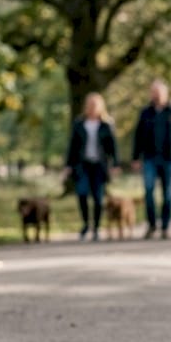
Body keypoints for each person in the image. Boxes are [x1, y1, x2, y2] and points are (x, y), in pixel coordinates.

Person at [133, 79, 171, 240]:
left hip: (170, 158)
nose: (157, 96)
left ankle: (165, 227)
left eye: (159, 93)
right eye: (154, 92)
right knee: (149, 191)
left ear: (166, 94)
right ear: (151, 94)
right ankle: (152, 225)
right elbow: (138, 136)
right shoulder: (145, 113)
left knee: (167, 194)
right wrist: (136, 157)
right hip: (149, 158)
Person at [63, 92, 119, 241]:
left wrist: (115, 163)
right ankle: (86, 224)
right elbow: (72, 146)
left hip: (99, 165)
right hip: (82, 164)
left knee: (98, 197)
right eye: (91, 105)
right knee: (81, 193)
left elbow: (112, 146)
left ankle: (97, 227)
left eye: (96, 105)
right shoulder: (79, 123)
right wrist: (68, 165)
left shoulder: (106, 124)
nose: (93, 108)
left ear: (100, 107)